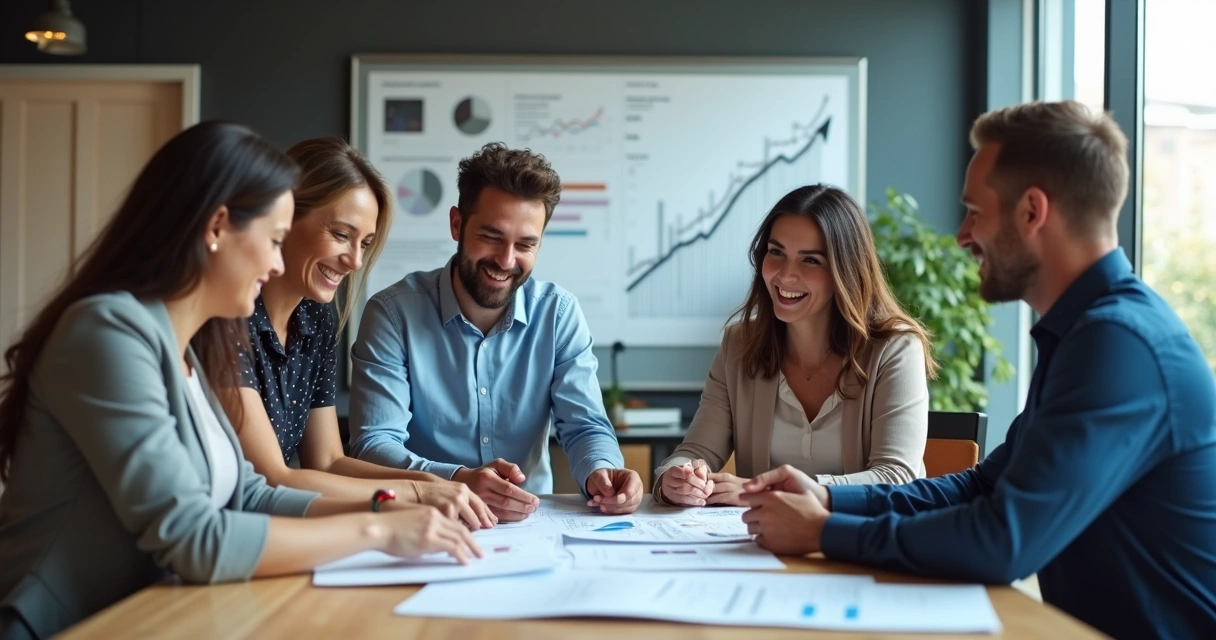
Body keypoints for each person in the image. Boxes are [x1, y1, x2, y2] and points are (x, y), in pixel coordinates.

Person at [742, 101, 1216, 639]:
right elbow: (981, 487)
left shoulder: (1119, 345)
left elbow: (1003, 541)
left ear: (1032, 211)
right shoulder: (1087, 334)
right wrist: (828, 498)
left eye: (974, 210)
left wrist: (826, 532)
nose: (963, 235)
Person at [0, 122, 480, 640]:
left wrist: (389, 503)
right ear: (217, 227)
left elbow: (249, 495)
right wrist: (378, 528)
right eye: (274, 240)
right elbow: (193, 537)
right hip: (58, 624)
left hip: (148, 615)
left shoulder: (182, 344)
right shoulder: (107, 333)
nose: (276, 263)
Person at [348, 142, 642, 520]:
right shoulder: (393, 314)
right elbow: (374, 443)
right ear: (457, 224)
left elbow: (585, 425)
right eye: (491, 237)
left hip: (531, 525)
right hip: (424, 518)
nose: (506, 261)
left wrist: (601, 471)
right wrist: (455, 479)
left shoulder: (558, 313)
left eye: (525, 244)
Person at [225, 137, 494, 531]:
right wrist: (419, 494)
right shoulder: (231, 318)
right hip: (237, 533)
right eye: (340, 234)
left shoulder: (316, 320)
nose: (354, 260)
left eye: (364, 243)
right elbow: (271, 478)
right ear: (284, 218)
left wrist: (444, 483)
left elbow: (328, 460)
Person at [653, 185, 936, 507]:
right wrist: (675, 479)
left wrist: (763, 491)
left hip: (858, 543)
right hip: (764, 544)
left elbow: (897, 477)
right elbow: (697, 452)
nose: (786, 276)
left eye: (811, 260)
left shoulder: (895, 349)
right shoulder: (739, 344)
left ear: (846, 270)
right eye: (776, 253)